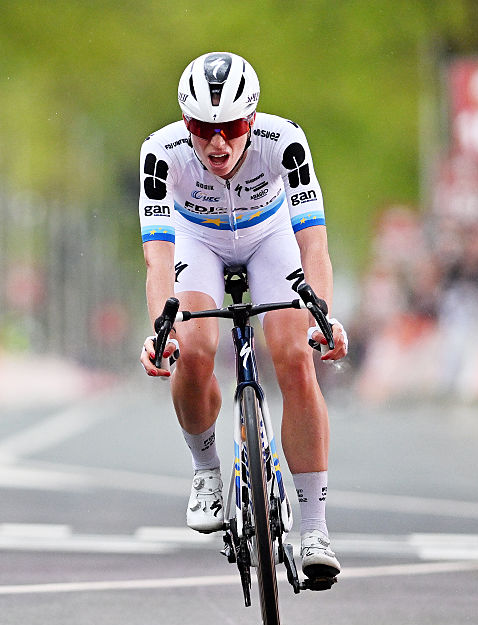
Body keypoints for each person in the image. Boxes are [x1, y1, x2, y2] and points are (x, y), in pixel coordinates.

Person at [137, 52, 348, 583]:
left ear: (251, 119)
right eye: (202, 129)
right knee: (194, 350)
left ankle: (315, 529)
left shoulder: (285, 141)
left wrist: (322, 318)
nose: (218, 144)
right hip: (196, 240)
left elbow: (313, 243)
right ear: (185, 123)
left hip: (269, 236)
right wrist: (161, 331)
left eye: (231, 128)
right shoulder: (161, 152)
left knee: (296, 357)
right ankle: (206, 468)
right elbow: (159, 257)